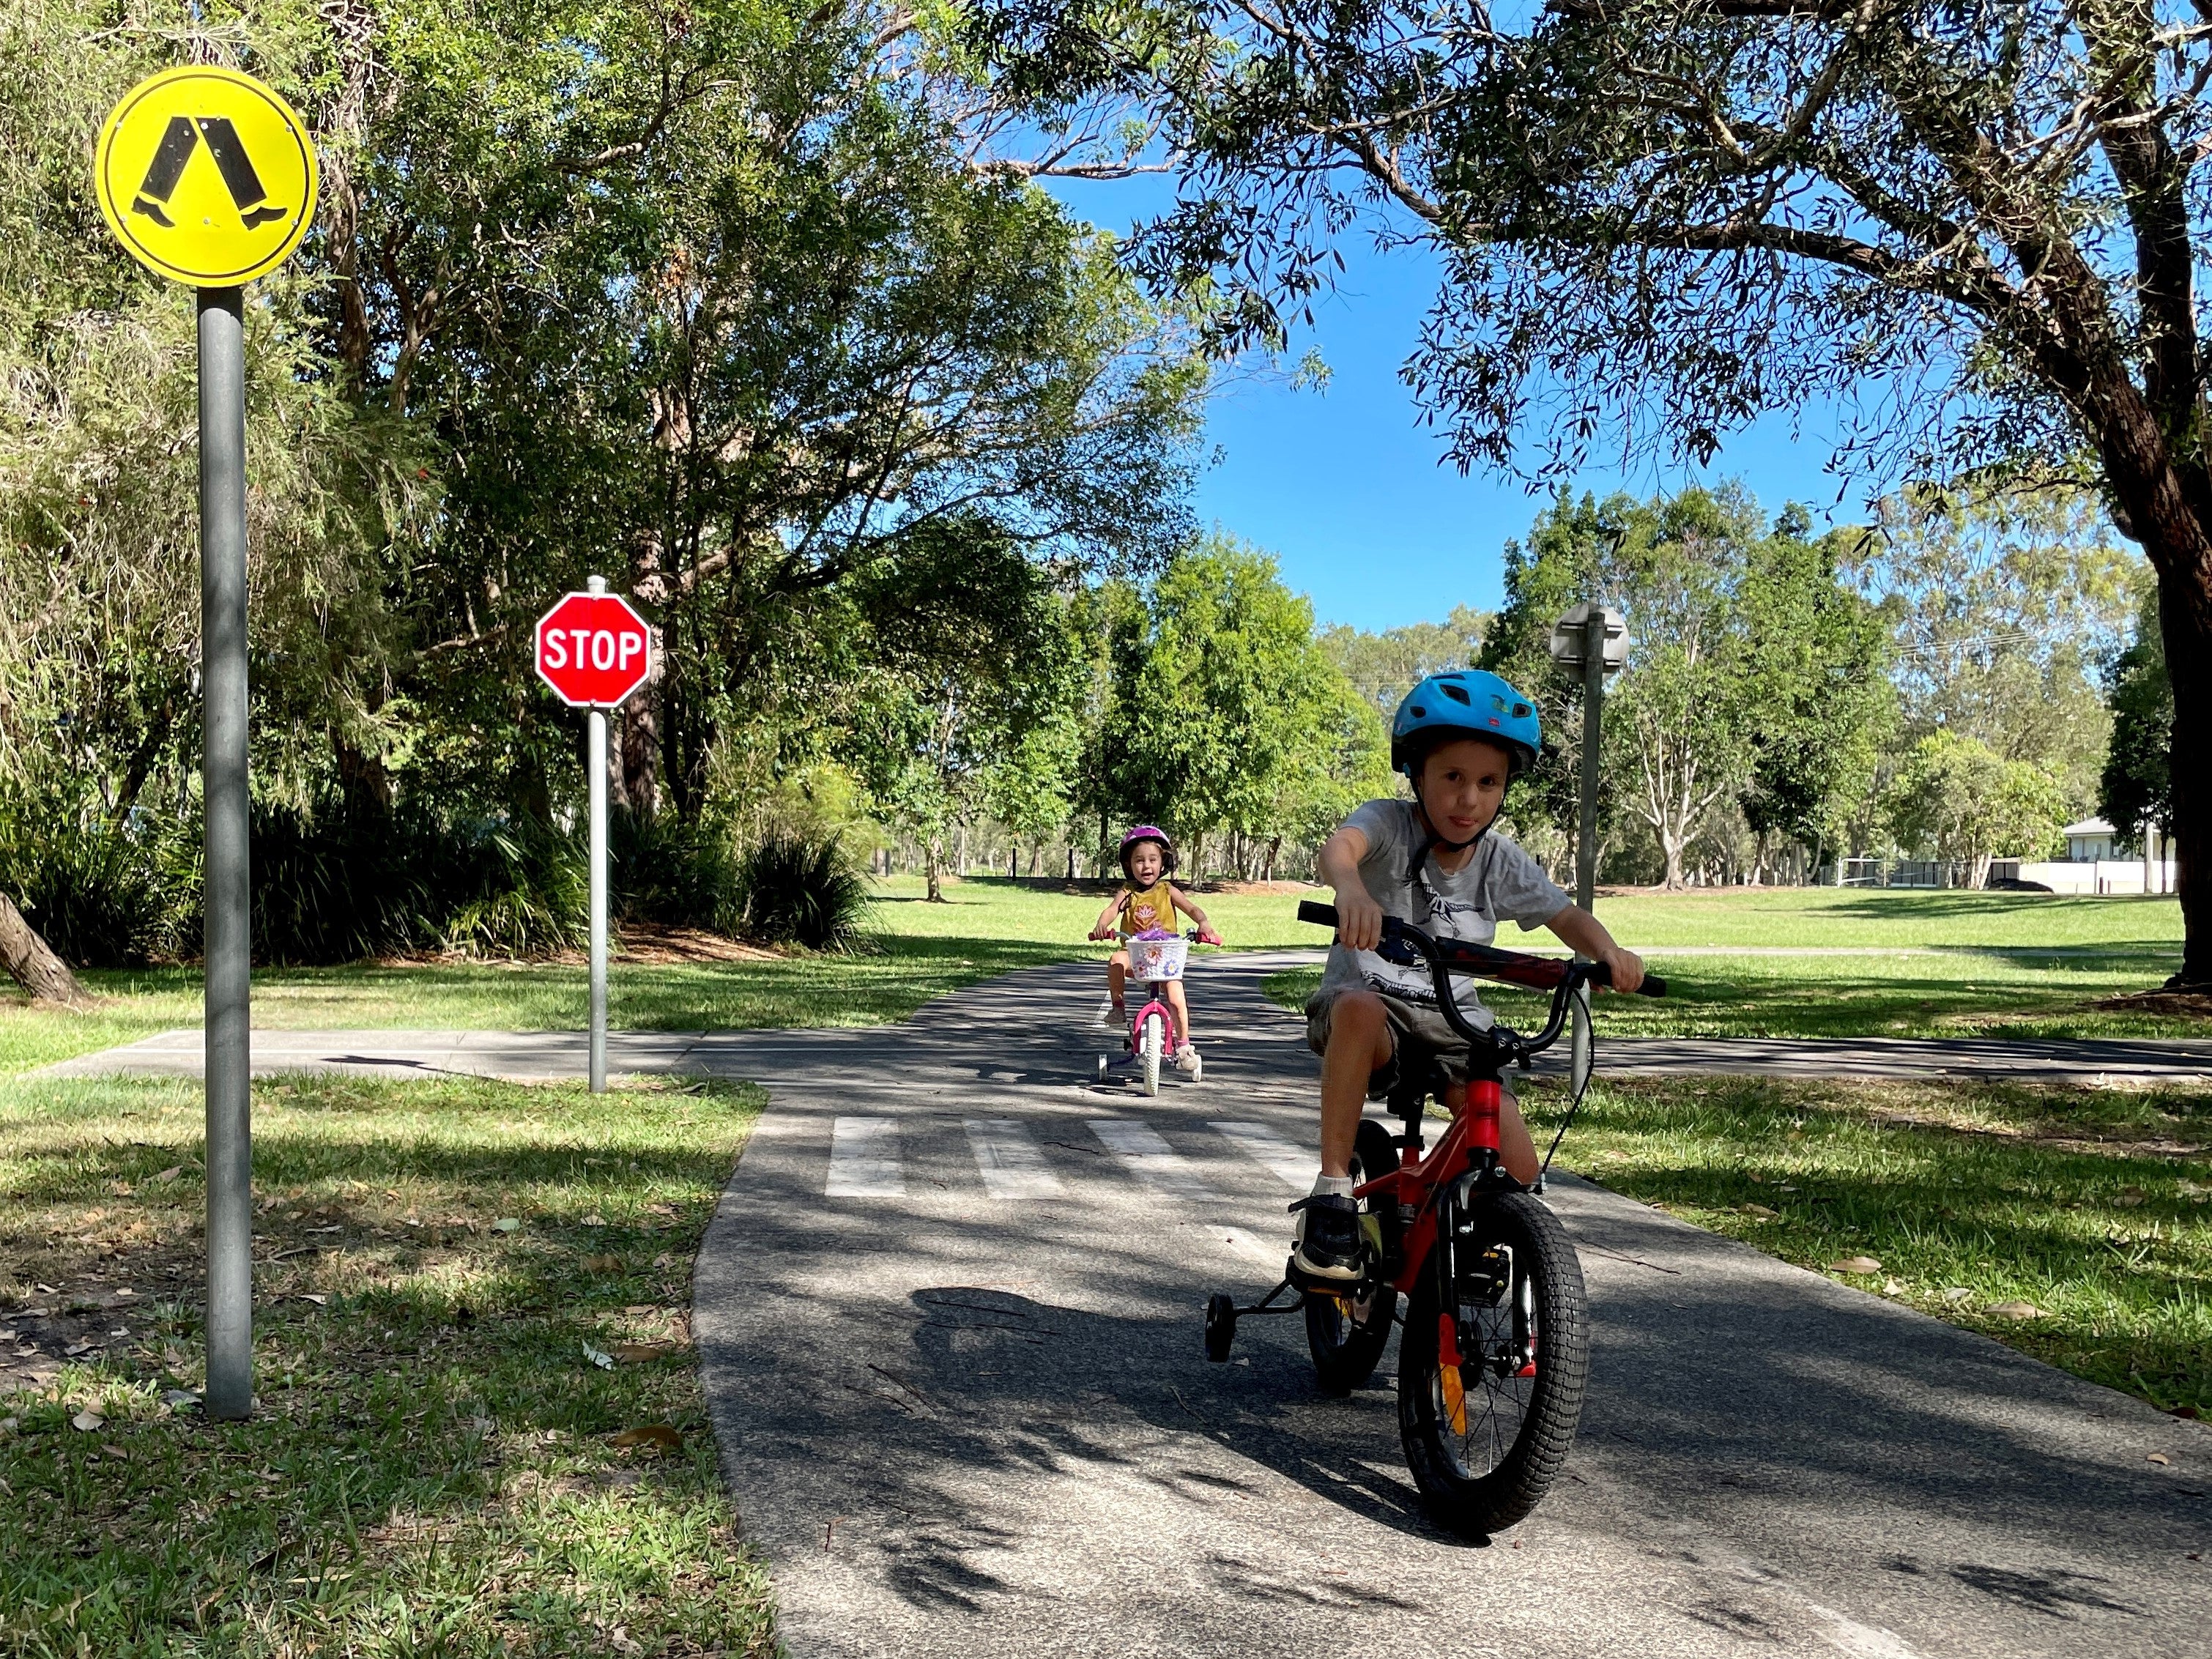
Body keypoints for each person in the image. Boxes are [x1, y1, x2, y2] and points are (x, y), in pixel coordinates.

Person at [1291, 670, 1644, 1284]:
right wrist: (1350, 889)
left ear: (1505, 789)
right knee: (1360, 1008)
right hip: (1371, 1009)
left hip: (1455, 1024)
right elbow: (1339, 848)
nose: (1469, 798)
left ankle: (1469, 1237)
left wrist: (1609, 951)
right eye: (1452, 777)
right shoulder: (1389, 825)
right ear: (1417, 774)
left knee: (1522, 1174)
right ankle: (1334, 1195)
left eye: (1488, 782)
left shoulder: (1499, 859)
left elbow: (1563, 913)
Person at [1089, 825, 1221, 1075]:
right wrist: (1102, 925)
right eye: (1139, 860)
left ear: (1163, 863)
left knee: (1175, 996)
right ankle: (1118, 1008)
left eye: (1152, 859)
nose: (1146, 866)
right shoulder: (1127, 892)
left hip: (1166, 959)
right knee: (1116, 960)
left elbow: (1192, 909)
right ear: (1129, 865)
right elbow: (1111, 910)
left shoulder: (1167, 890)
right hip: (1136, 955)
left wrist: (1203, 924)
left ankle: (1183, 1046)